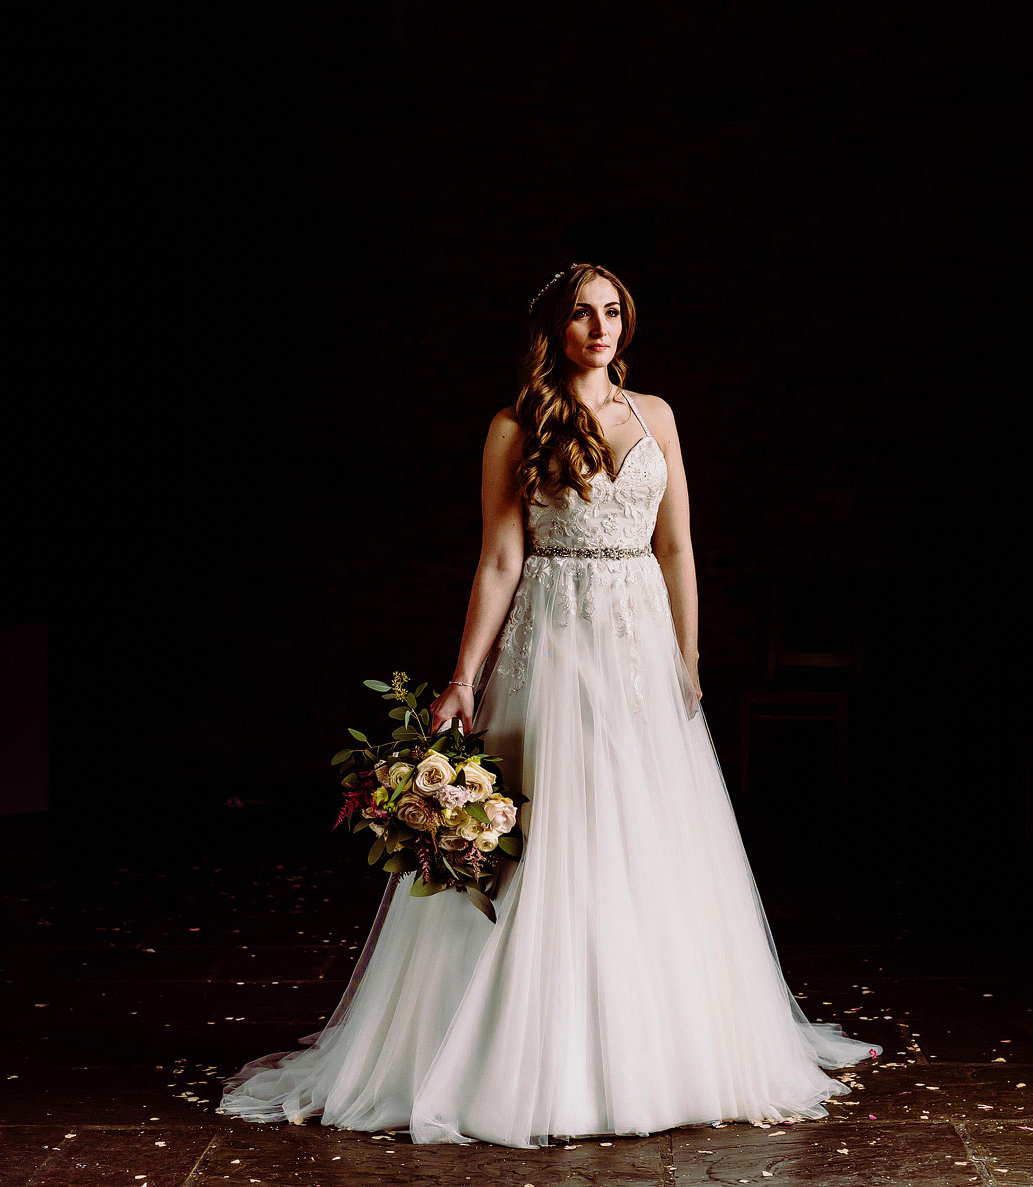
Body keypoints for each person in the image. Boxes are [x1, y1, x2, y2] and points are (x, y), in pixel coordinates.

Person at [217, 261, 880, 1147]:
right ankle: (521, 1048)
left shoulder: (659, 418)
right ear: (553, 329)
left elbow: (678, 547)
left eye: (612, 312)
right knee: (544, 833)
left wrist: (685, 655)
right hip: (553, 637)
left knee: (640, 830)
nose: (600, 328)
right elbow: (498, 561)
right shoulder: (513, 426)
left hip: (638, 642)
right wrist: (462, 676)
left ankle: (652, 1045)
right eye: (582, 314)